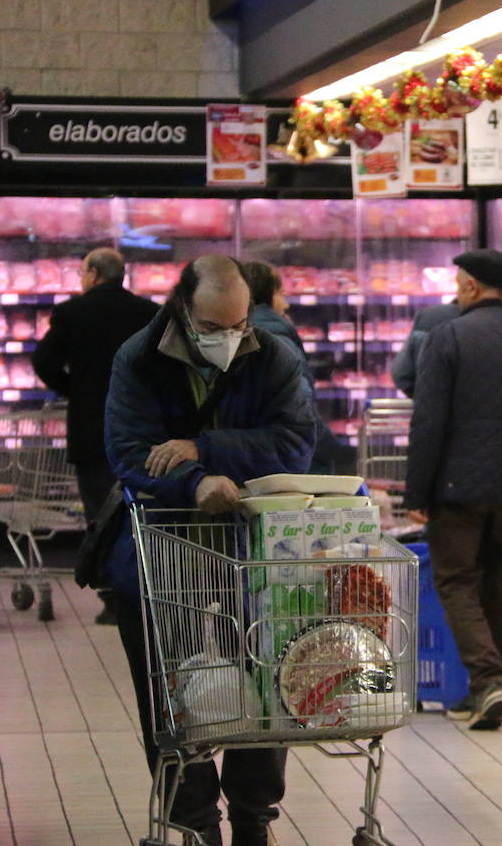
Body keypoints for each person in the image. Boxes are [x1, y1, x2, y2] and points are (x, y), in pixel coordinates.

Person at [103, 256, 316, 846]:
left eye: (239, 325)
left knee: (263, 684)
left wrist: (201, 448)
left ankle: (254, 817)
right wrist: (193, 484)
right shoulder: (138, 360)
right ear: (181, 309)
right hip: (161, 552)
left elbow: (295, 446)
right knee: (170, 694)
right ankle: (196, 823)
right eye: (214, 326)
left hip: (251, 555)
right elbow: (128, 452)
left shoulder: (272, 356)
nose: (229, 338)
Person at [403, 249, 502, 731]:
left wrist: (417, 493)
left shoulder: (449, 337)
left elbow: (428, 422)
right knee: (499, 584)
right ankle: (490, 687)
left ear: (469, 286)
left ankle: (487, 681)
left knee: (456, 580)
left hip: (457, 485)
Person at [32, 246, 157, 625]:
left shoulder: (72, 312)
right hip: (141, 429)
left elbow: (44, 362)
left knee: (100, 514)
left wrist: (75, 390)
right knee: (140, 511)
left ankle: (111, 598)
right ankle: (144, 589)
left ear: (92, 274)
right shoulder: (148, 312)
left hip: (91, 429)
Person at [241, 260, 345, 474]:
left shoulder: (237, 335)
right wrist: (337, 455)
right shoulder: (278, 340)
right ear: (264, 297)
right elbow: (301, 408)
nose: (285, 304)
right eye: (280, 293)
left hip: (251, 457)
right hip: (286, 459)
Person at [390, 299, 461, 398]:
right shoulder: (488, 320)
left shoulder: (430, 316)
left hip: (435, 406)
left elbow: (402, 374)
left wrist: (424, 399)